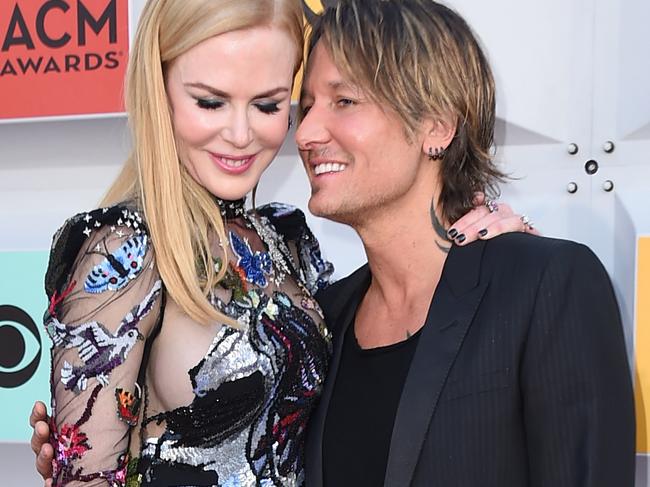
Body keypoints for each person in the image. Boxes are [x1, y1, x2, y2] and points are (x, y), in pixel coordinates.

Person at [26, 0, 530, 486]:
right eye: (211, 101)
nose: (241, 134)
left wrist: (477, 254)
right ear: (157, 92)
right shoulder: (122, 249)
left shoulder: (286, 240)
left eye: (267, 104)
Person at [294, 1, 635, 487]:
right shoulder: (323, 319)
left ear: (437, 125)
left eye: (344, 100)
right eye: (306, 107)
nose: (305, 133)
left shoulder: (546, 288)